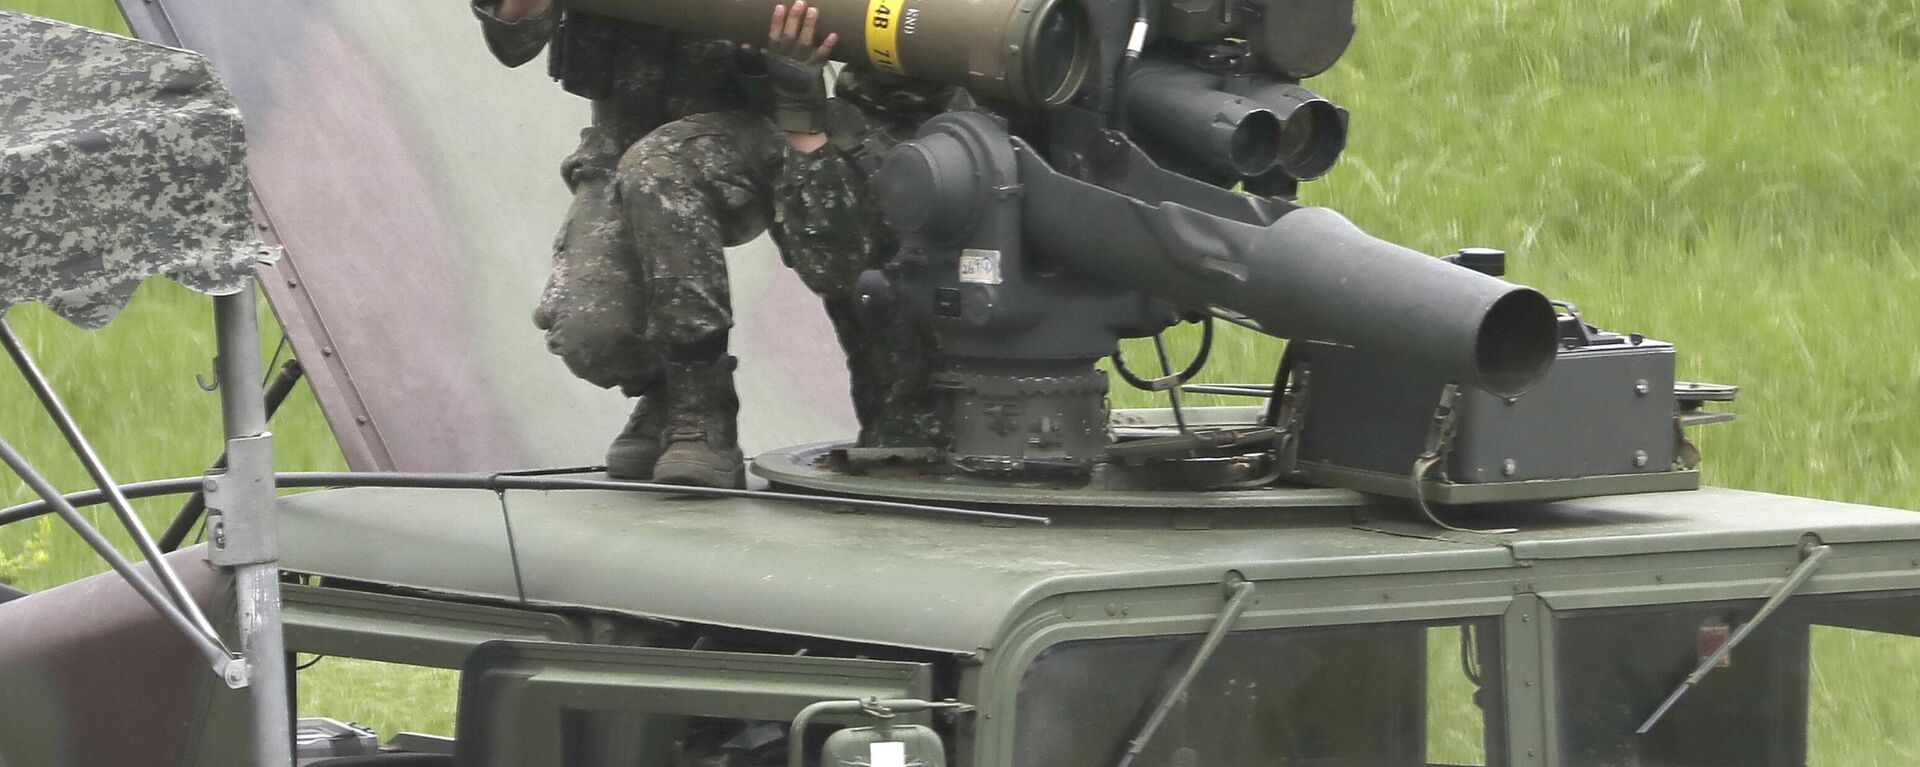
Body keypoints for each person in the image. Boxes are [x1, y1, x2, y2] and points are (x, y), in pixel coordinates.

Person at [473, 0, 796, 487]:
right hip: (621, 150)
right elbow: (512, 42)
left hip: (750, 142)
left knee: (659, 168)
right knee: (589, 337)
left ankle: (703, 416)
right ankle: (663, 392)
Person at [758, 6, 955, 450]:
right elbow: (830, 269)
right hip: (905, 443)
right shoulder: (836, 131)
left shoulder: (1007, 120)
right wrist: (801, 118)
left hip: (1043, 427)